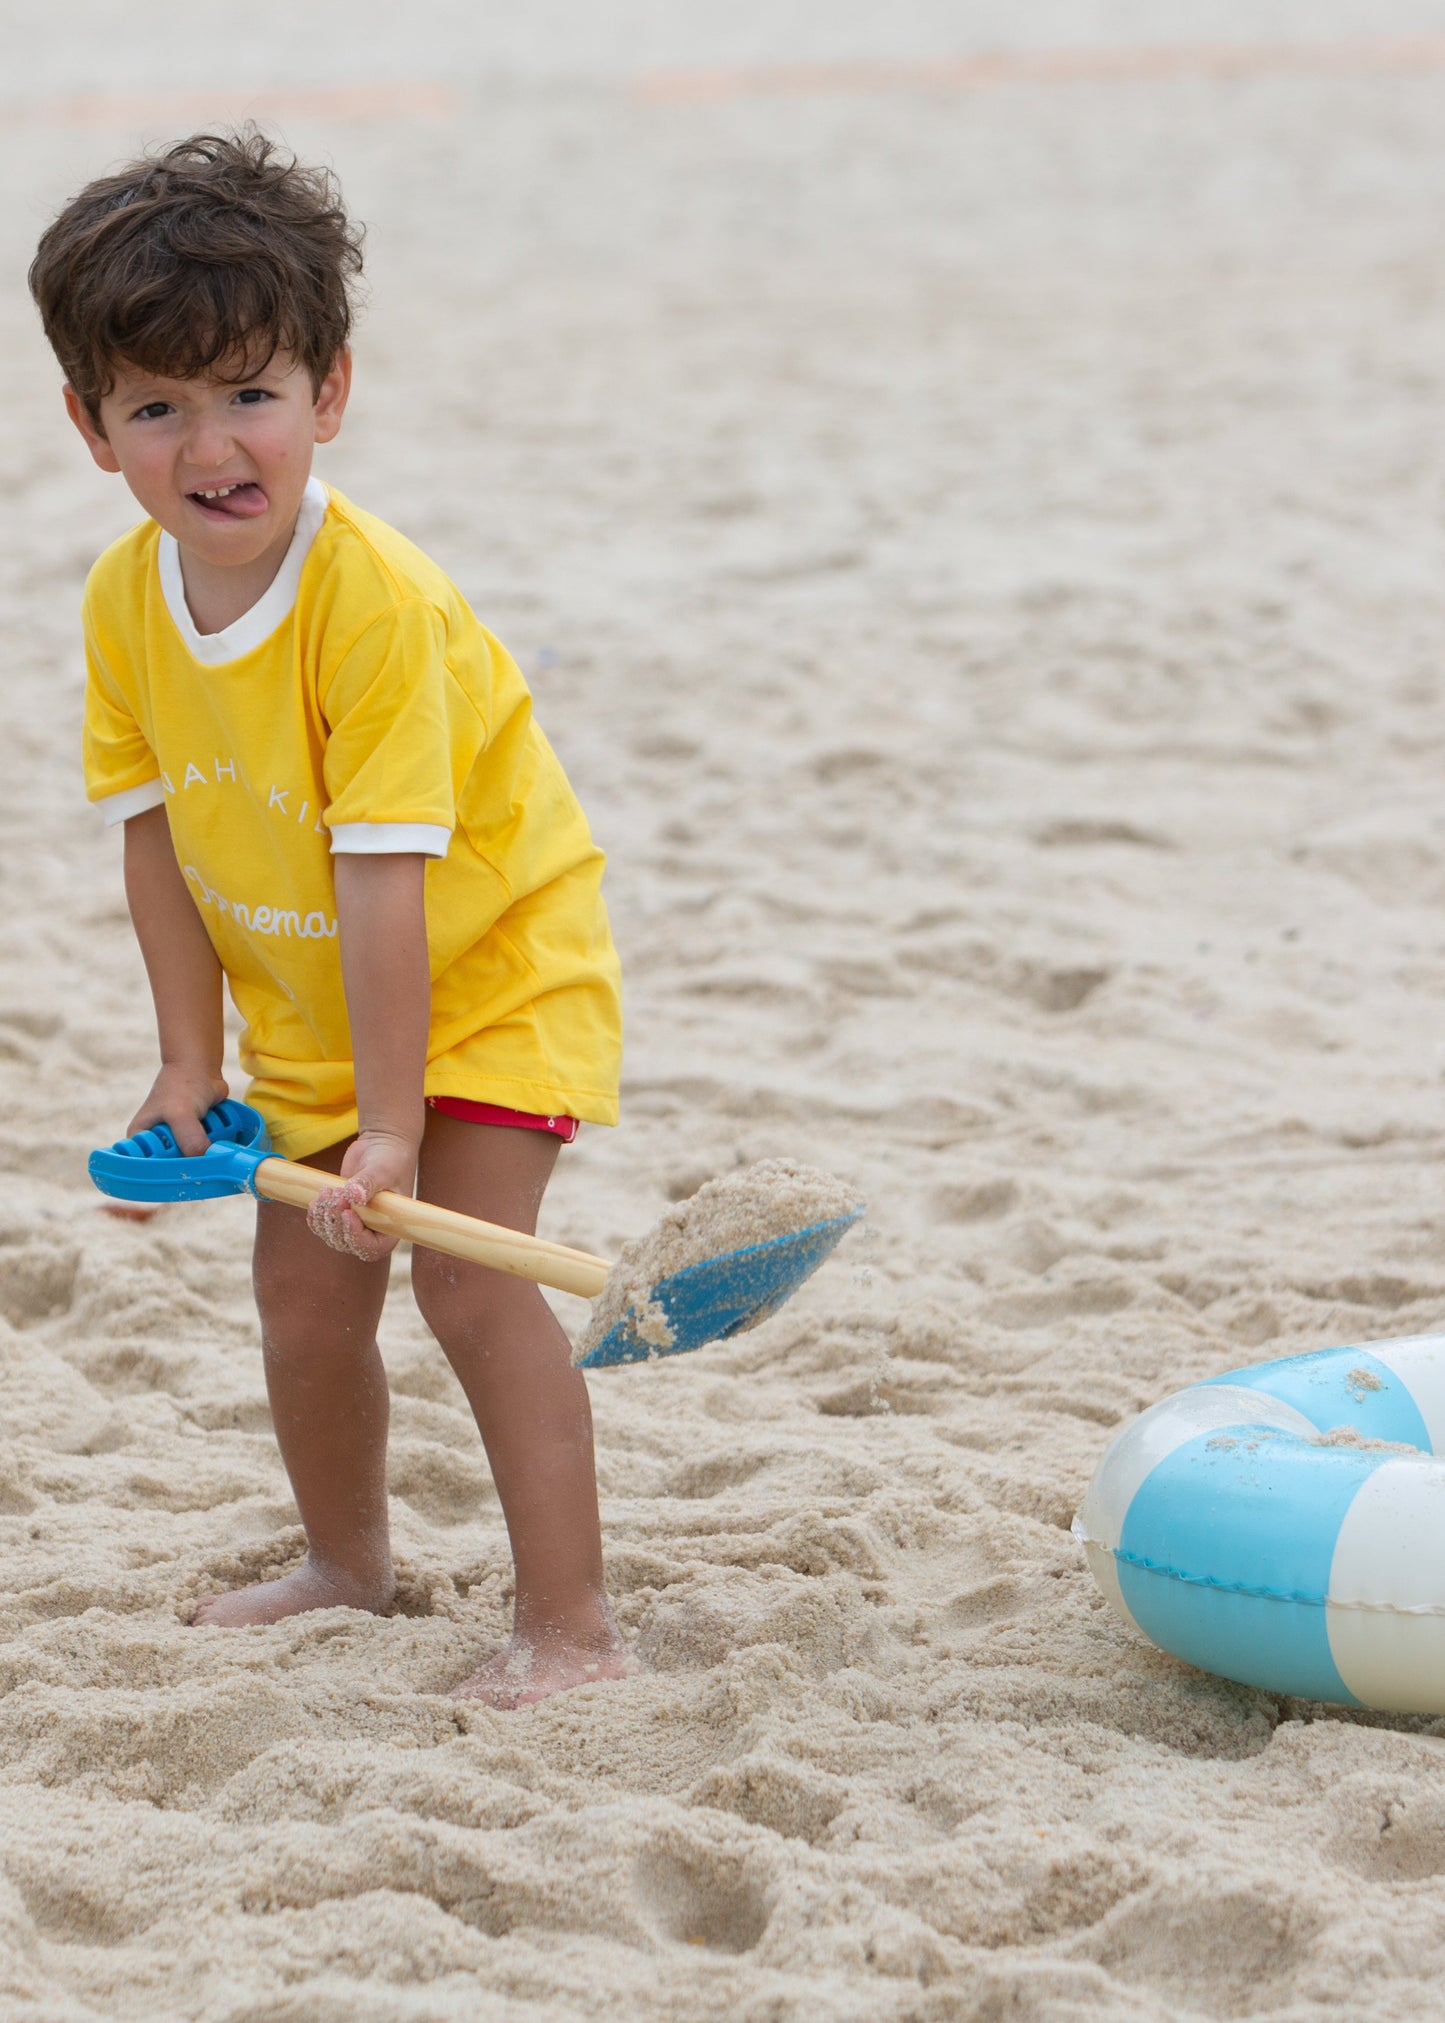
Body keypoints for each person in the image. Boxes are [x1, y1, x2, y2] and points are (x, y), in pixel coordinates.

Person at [28, 130, 630, 1708]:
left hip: (488, 974)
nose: (211, 445)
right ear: (93, 428)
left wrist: (393, 1126)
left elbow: (385, 875)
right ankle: (347, 1566)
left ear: (329, 394)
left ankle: (569, 1628)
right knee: (301, 1299)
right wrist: (185, 1063)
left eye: (250, 394)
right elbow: (151, 841)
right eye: (156, 408)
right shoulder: (120, 603)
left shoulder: (373, 606)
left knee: (467, 1279)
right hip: (310, 1013)